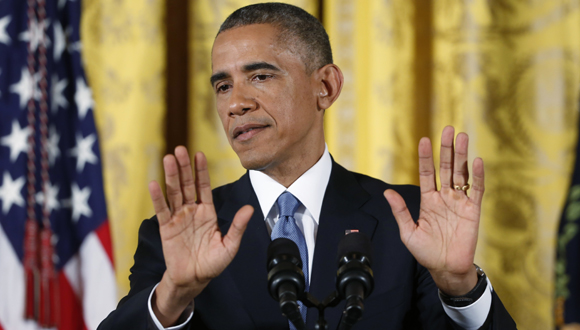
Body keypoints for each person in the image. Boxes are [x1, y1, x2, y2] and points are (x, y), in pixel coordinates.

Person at [99, 3, 516, 330]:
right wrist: (173, 295)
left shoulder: (408, 218)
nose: (235, 103)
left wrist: (461, 286)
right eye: (223, 85)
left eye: (260, 76)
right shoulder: (176, 234)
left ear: (326, 86)